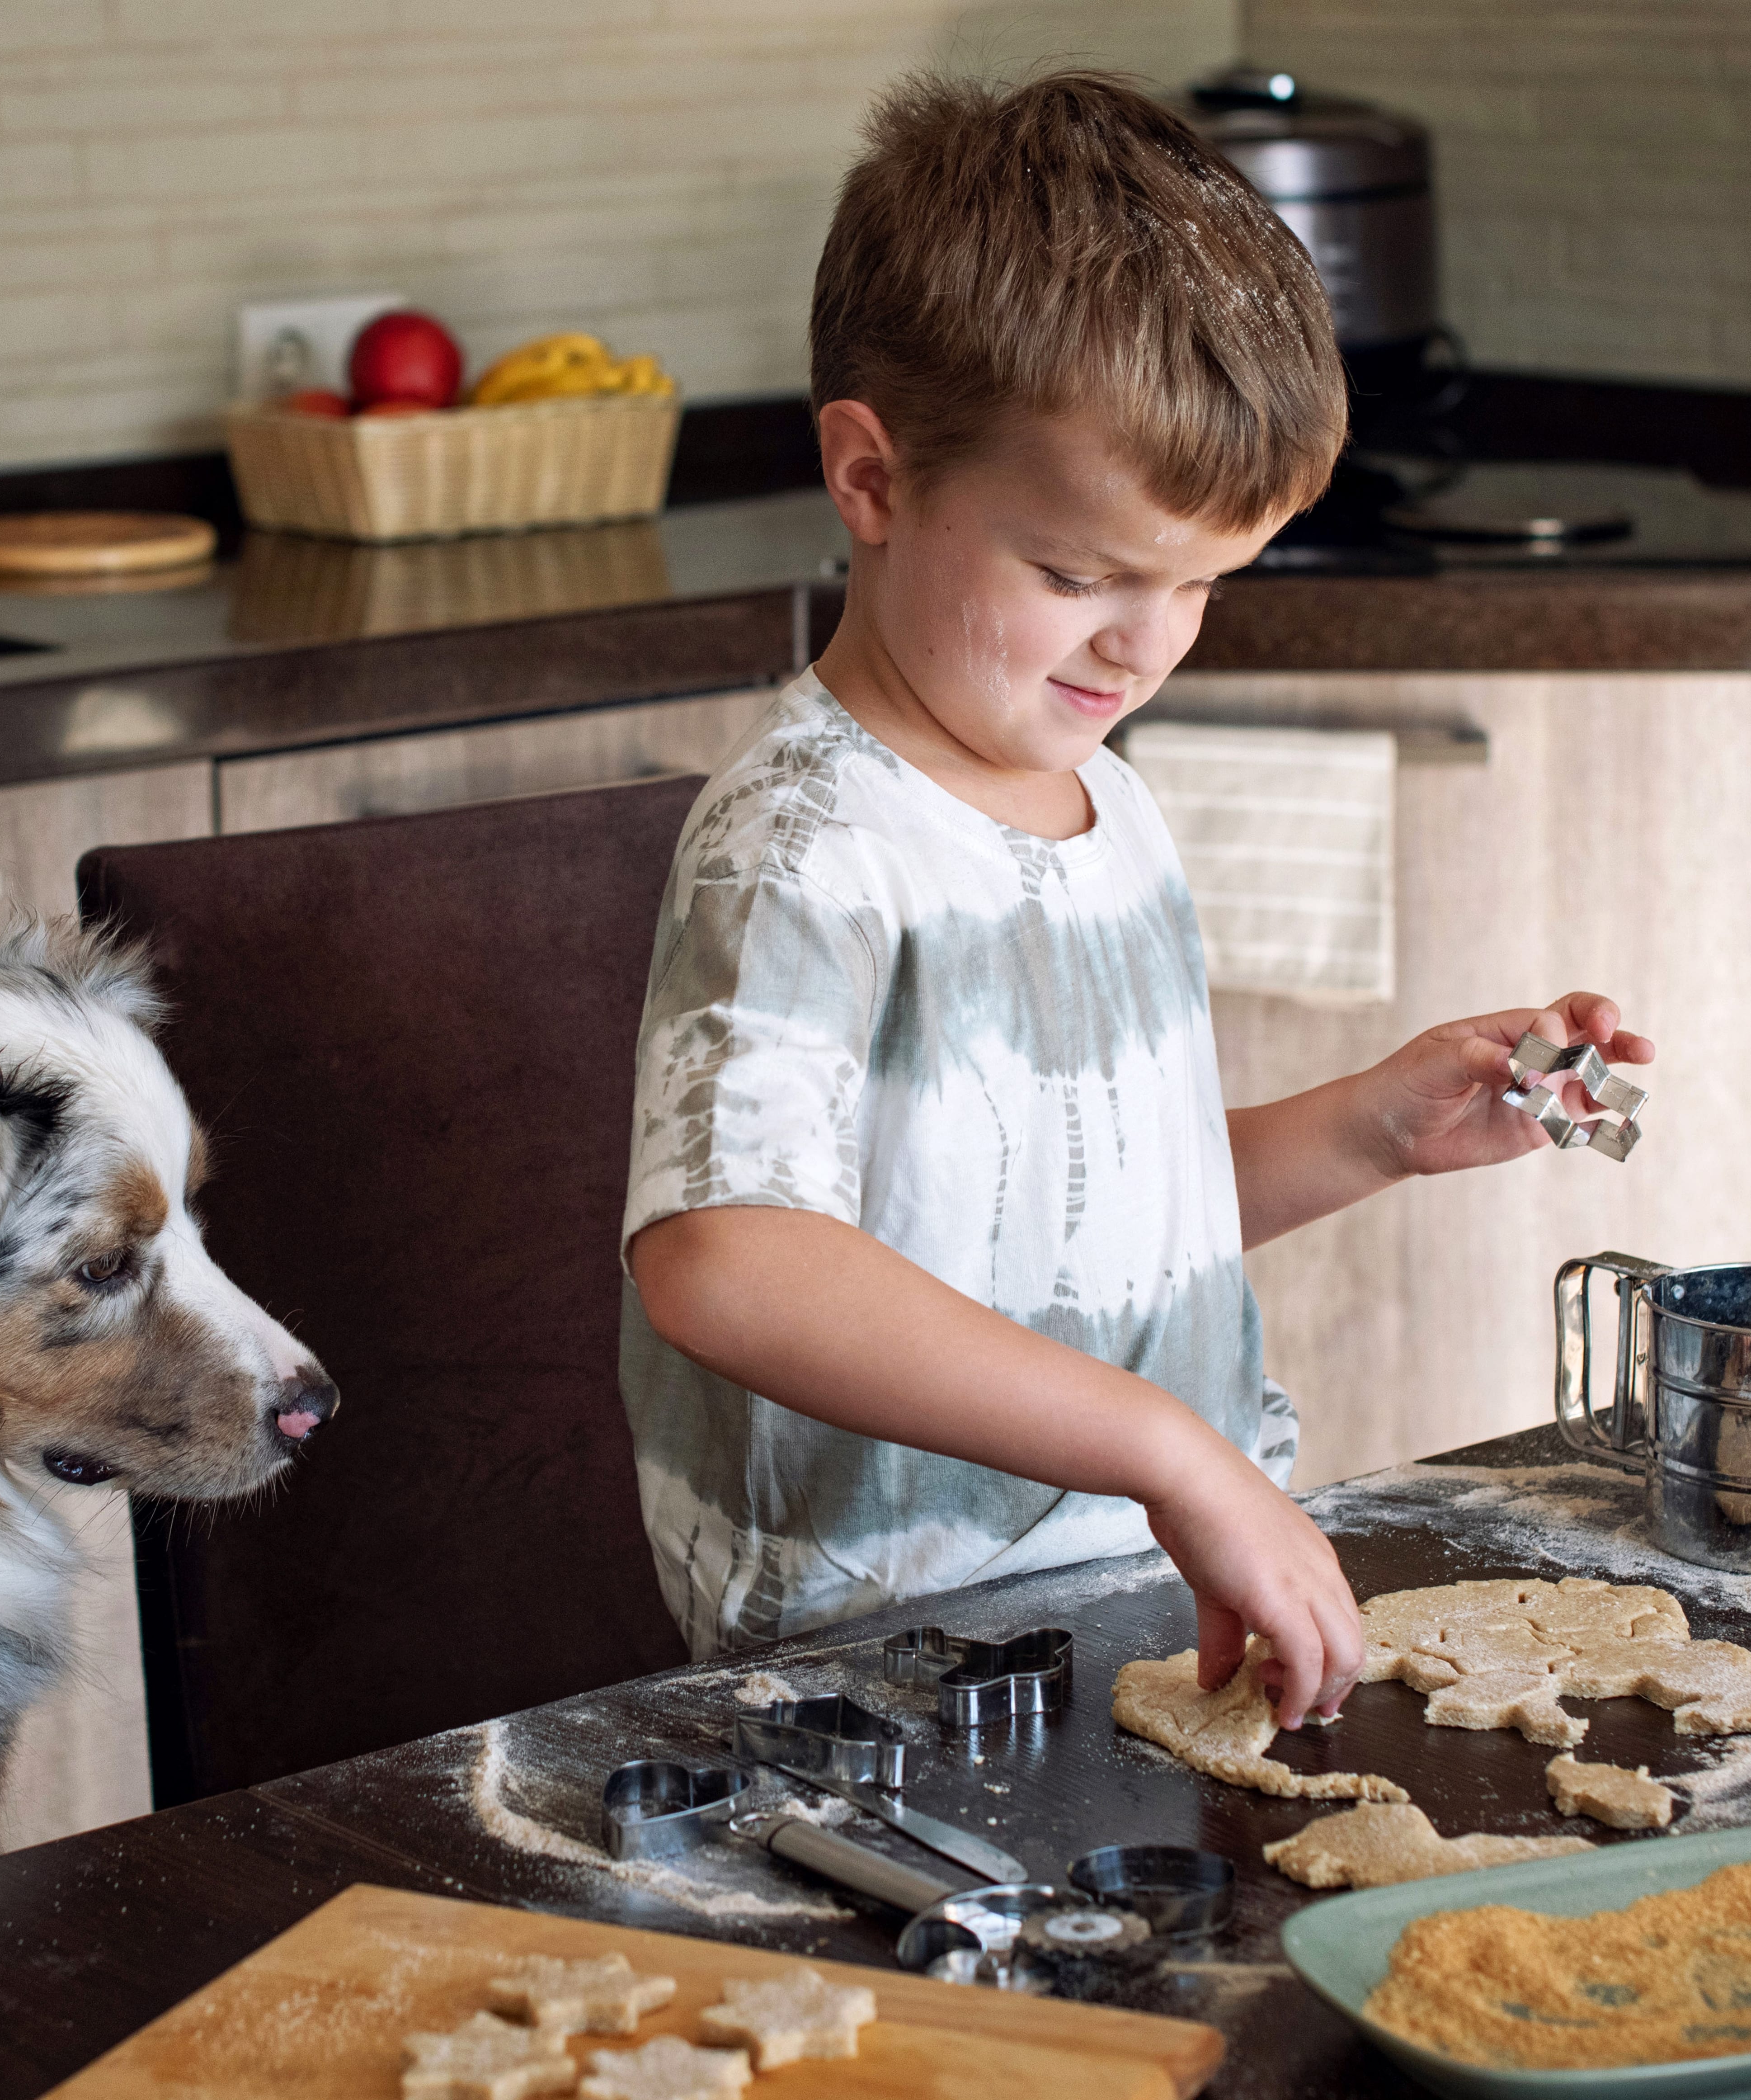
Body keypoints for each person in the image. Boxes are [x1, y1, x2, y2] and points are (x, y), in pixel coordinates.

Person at [617, 71, 1653, 1730]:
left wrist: (1374, 1130)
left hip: (1117, 1609)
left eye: (1202, 588)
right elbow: (729, 1264)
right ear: (872, 481)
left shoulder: (1110, 807)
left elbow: (1064, 1227)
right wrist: (1171, 1450)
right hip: (882, 1669)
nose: (1144, 645)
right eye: (1079, 575)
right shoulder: (807, 846)